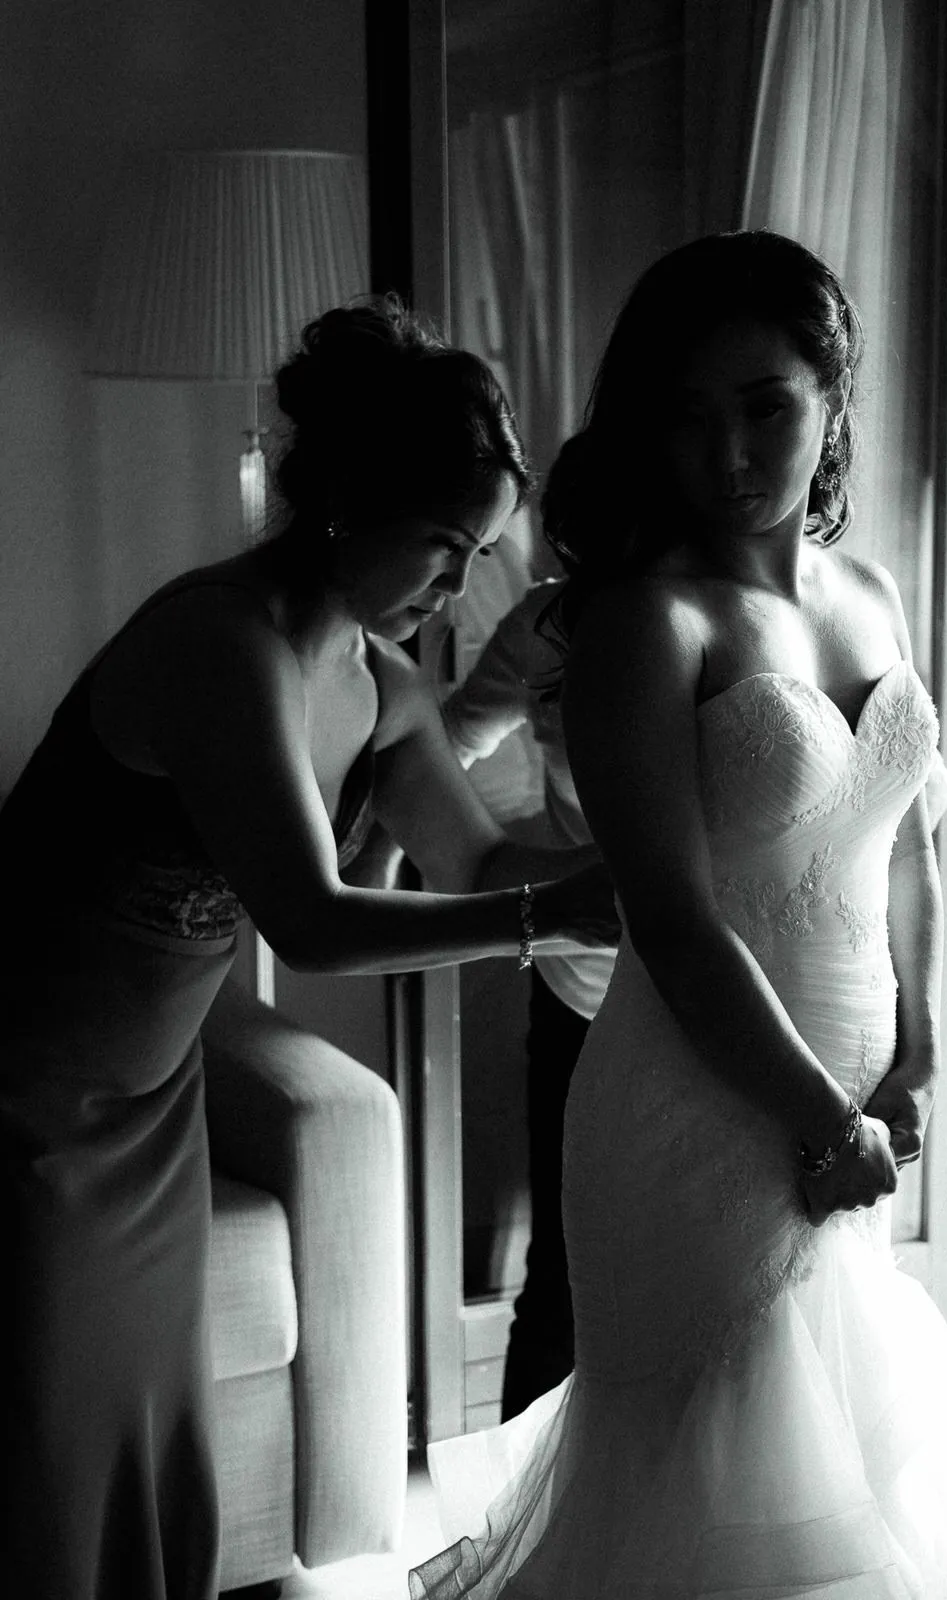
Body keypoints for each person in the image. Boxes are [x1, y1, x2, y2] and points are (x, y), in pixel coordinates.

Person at [410, 232, 947, 1600]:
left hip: (854, 1115)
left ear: (831, 396)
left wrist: (921, 1050)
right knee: (702, 1502)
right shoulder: (641, 625)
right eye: (687, 415)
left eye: (763, 404)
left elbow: (908, 853)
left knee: (845, 1491)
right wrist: (818, 1118)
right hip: (697, 1116)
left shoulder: (869, 593)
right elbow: (670, 918)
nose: (726, 452)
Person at [0, 296, 618, 1600]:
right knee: (44, 1453)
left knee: (142, 1445)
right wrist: (546, 916)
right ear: (345, 495)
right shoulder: (216, 645)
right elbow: (317, 920)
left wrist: (635, 865)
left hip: (148, 1117)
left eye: (480, 555)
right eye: (444, 548)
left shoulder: (383, 683)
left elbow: (479, 864)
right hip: (25, 1099)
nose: (458, 592)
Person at [443, 576, 616, 1418]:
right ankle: (518, 1536)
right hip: (579, 989)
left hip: (737, 994)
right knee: (562, 1276)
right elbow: (444, 747)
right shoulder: (544, 626)